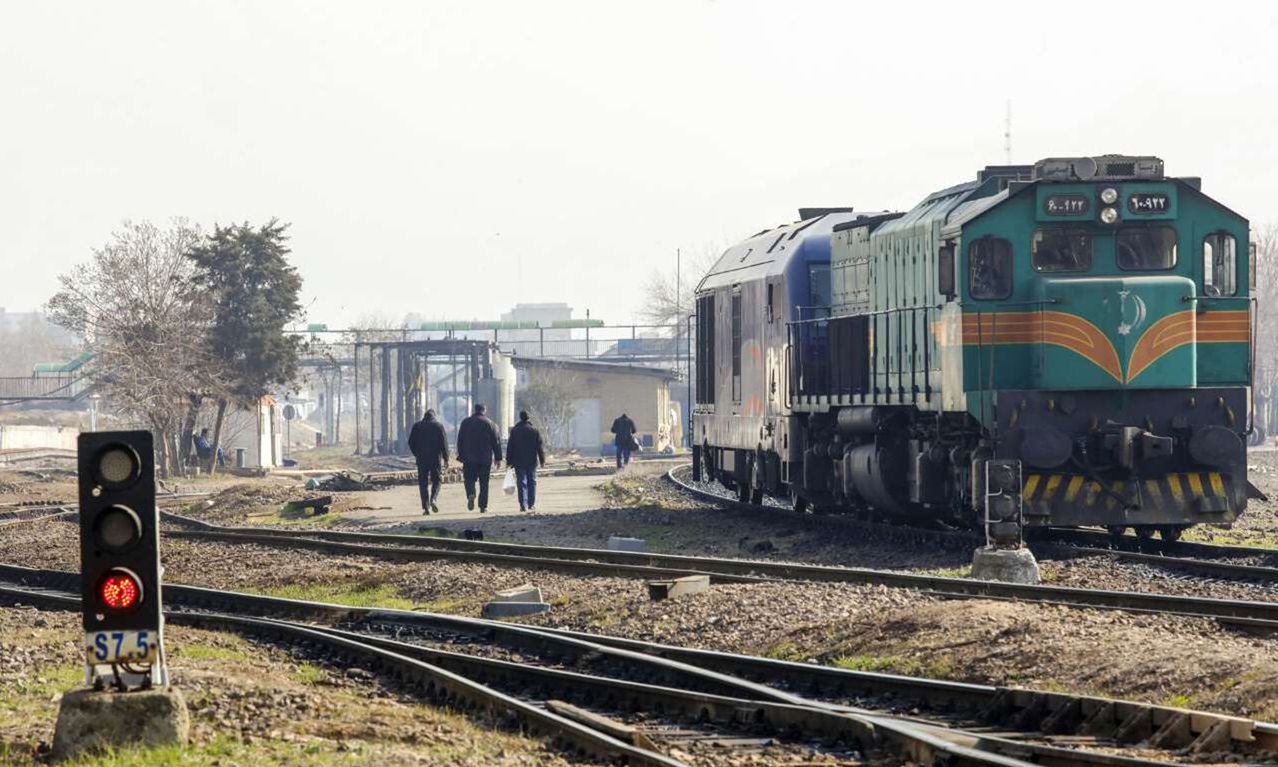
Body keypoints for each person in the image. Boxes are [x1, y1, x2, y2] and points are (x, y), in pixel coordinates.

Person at [456, 403, 501, 513]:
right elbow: (496, 442)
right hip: (485, 459)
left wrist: (461, 455)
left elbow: (460, 440)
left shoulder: (465, 422)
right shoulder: (491, 424)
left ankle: (471, 493)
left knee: (469, 479)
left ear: (474, 410)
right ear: (484, 410)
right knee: (484, 483)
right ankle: (483, 506)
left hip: (469, 458)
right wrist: (498, 458)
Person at [408, 409, 449, 514]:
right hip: (435, 459)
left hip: (421, 459)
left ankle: (426, 507)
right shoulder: (438, 426)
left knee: (423, 482)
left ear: (424, 416)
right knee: (437, 480)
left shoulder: (417, 426)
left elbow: (411, 442)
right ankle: (433, 499)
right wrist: (446, 458)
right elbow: (444, 443)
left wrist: (416, 453)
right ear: (434, 416)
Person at [505, 410, 546, 512]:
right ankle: (531, 504)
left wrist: (508, 461)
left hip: (518, 461)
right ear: (529, 418)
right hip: (531, 461)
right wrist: (542, 460)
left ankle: (523, 504)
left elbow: (510, 447)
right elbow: (539, 447)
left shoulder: (515, 431)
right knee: (531, 482)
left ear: (520, 417)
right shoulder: (534, 430)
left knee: (521, 482)